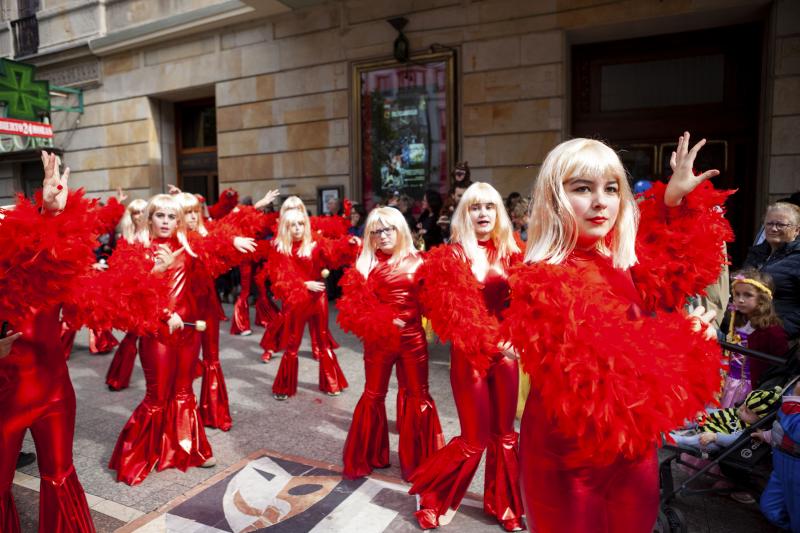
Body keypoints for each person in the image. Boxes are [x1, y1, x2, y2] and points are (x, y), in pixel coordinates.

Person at [504, 133, 732, 532]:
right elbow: (611, 379)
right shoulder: (541, 280)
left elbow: (677, 264)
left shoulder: (621, 259)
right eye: (582, 188)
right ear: (555, 198)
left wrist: (674, 201)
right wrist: (687, 342)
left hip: (632, 451)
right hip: (568, 461)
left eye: (611, 188)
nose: (601, 202)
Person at [108, 193, 255, 484]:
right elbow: (132, 293)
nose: (165, 222)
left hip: (189, 331)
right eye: (160, 216)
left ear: (179, 221)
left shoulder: (189, 245)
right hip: (157, 332)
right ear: (149, 219)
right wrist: (163, 305)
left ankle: (189, 449)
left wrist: (233, 241)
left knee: (184, 392)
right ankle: (136, 455)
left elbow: (213, 242)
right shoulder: (137, 249)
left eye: (171, 217)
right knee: (157, 396)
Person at [408, 182, 525, 531]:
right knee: (473, 438)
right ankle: (434, 497)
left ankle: (505, 506)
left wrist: (518, 335)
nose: (483, 213)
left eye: (489, 206)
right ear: (465, 214)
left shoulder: (513, 251)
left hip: (506, 356)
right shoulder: (454, 256)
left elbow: (528, 303)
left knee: (505, 435)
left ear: (498, 212)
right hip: (470, 355)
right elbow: (446, 312)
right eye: (475, 207)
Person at [338, 207, 444, 481]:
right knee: (374, 395)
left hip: (412, 340)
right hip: (379, 342)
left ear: (400, 230)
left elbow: (432, 302)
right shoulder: (365, 265)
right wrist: (382, 319)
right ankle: (369, 454)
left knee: (418, 395)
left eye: (388, 229)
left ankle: (419, 461)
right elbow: (354, 309)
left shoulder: (419, 262)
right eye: (376, 231)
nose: (383, 236)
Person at [264, 202, 358, 399]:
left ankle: (332, 383)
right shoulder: (281, 249)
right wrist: (305, 284)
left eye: (301, 224)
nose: (298, 228)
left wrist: (349, 244)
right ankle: (284, 387)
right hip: (297, 300)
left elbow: (334, 253)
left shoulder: (315, 243)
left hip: (318, 298)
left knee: (323, 339)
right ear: (286, 227)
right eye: (293, 225)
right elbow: (279, 277)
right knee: (293, 343)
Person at [720, 271, 788, 407]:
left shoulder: (772, 331)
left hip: (751, 387)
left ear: (762, 299)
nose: (740, 300)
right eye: (737, 294)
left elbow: (780, 365)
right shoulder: (734, 320)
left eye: (748, 295)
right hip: (728, 381)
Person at [106, 198, 150, 391]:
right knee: (133, 335)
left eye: (142, 211)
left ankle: (188, 368)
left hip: (156, 293)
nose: (139, 216)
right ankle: (117, 377)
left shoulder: (155, 235)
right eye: (135, 212)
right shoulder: (126, 239)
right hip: (136, 296)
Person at [743, 202, 800, 340]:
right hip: (745, 333)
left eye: (781, 225)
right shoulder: (756, 253)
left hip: (778, 340)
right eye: (769, 224)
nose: (773, 229)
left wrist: (780, 331)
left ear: (797, 230)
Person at [671, 386, 782, 453]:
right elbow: (718, 413)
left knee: (703, 441)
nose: (741, 409)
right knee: (698, 417)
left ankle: (681, 440)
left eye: (747, 411)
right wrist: (705, 412)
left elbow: (733, 440)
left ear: (759, 419)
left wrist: (715, 437)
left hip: (713, 440)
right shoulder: (737, 413)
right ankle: (678, 425)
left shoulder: (747, 430)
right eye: (743, 405)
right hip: (707, 425)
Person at [757, 379, 800, 532]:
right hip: (781, 461)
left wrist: (795, 399)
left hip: (797, 467)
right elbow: (781, 424)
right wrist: (767, 435)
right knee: (769, 507)